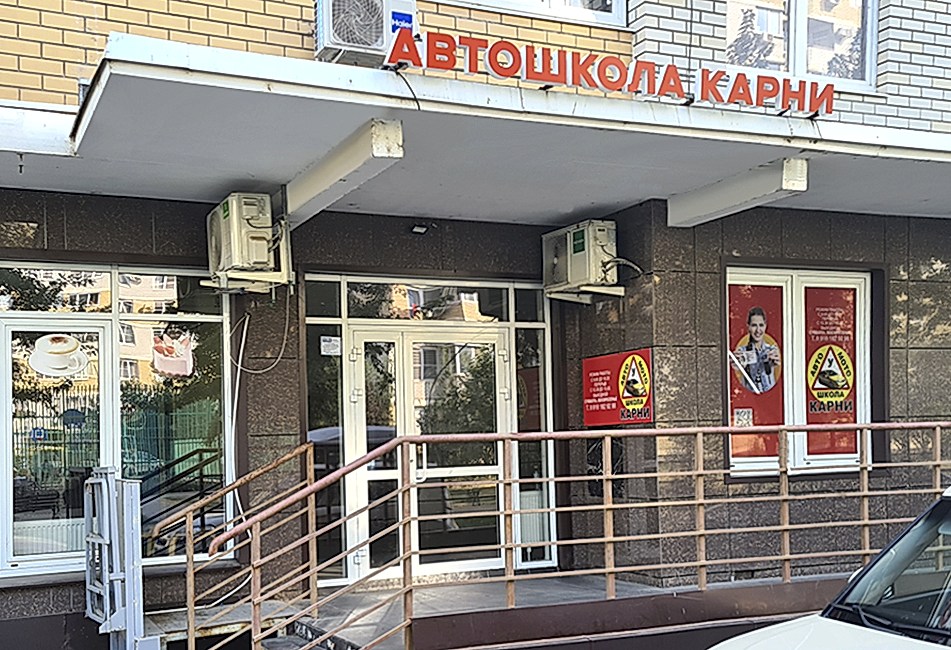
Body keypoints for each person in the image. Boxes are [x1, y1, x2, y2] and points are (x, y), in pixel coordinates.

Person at [736, 306, 781, 393]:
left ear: (765, 326)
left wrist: (776, 362)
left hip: (770, 396)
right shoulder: (742, 351)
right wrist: (737, 364)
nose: (758, 330)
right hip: (750, 396)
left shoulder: (772, 349)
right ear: (748, 327)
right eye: (754, 325)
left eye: (761, 325)